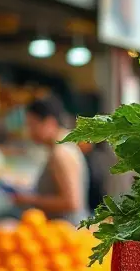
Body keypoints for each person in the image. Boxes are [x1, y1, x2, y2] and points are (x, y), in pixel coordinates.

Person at [13, 97, 89, 226]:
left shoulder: (61, 153)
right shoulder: (61, 147)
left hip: (67, 230)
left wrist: (30, 200)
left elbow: (71, 202)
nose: (29, 131)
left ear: (50, 122)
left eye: (32, 125)